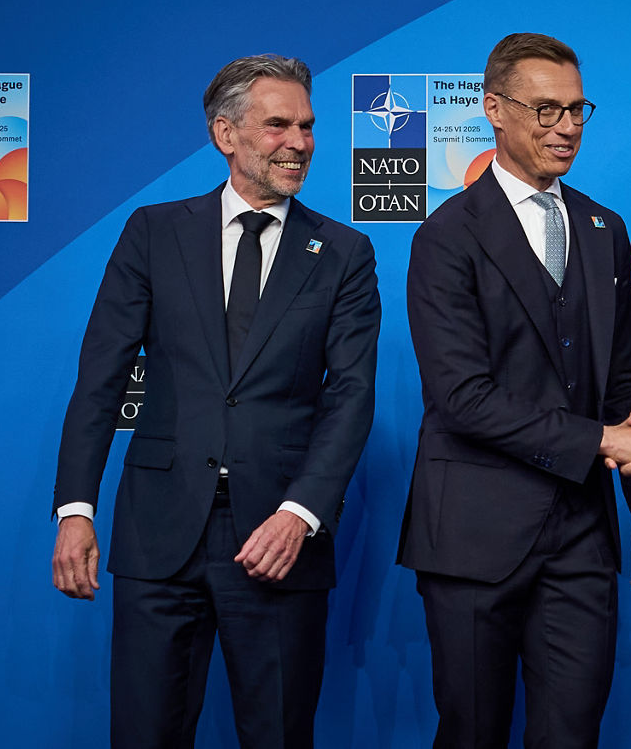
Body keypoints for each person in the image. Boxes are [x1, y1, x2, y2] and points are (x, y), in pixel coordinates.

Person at [51, 54, 380, 748]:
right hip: (159, 533)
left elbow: (351, 396)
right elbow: (101, 378)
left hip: (278, 539)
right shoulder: (153, 232)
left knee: (279, 735)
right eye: (278, 125)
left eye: (307, 126)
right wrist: (76, 509)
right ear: (225, 134)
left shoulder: (344, 252)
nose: (299, 142)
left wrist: (300, 514)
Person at [397, 32, 631, 749]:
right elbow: (463, 398)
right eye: (546, 110)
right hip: (471, 539)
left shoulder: (604, 229)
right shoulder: (445, 236)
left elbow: (628, 383)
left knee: (572, 735)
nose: (566, 127)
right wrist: (602, 440)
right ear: (495, 109)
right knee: (472, 734)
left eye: (577, 109)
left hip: (581, 538)